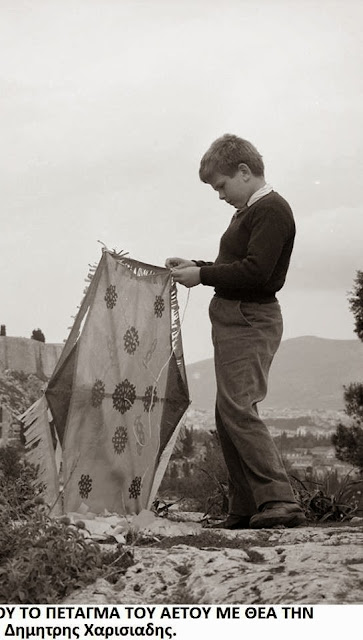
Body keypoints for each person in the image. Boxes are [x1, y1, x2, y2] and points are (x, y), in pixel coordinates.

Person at [166, 133, 306, 529]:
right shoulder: (248, 210)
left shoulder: (272, 210)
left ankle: (279, 499)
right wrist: (195, 265)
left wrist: (202, 275)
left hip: (249, 318)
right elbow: (240, 265)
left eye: (222, 185)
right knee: (227, 413)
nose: (220, 195)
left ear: (244, 172)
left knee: (238, 408)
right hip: (235, 318)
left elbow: (258, 273)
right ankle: (245, 507)